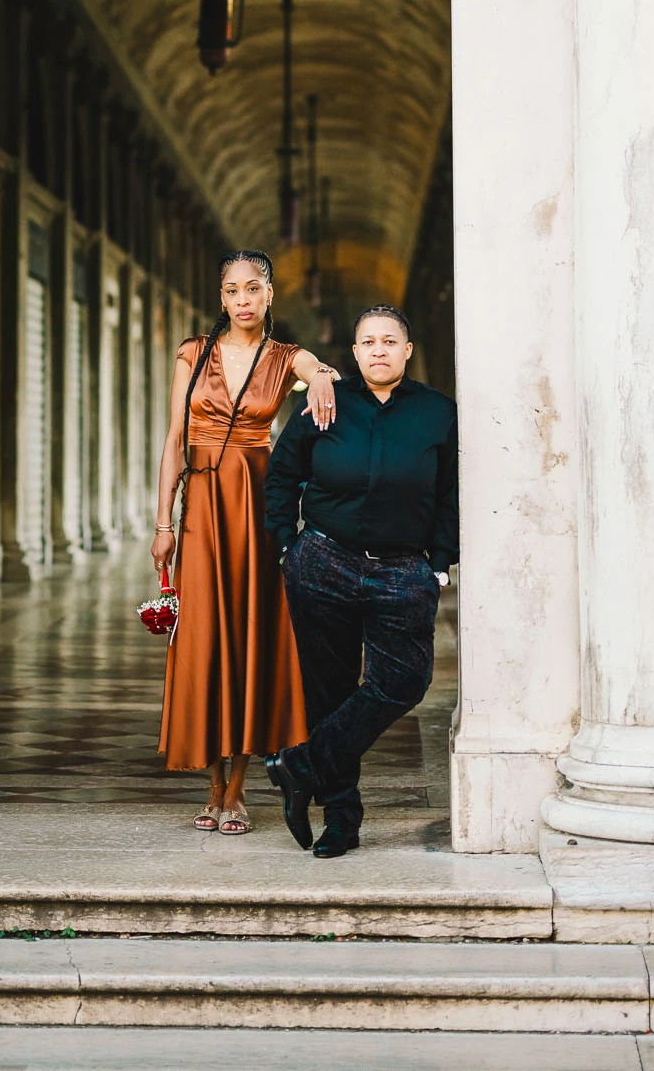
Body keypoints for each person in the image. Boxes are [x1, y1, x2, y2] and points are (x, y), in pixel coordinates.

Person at [153, 250, 338, 836]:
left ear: (269, 295)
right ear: (222, 296)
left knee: (250, 635)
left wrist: (325, 382)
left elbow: (324, 372)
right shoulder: (193, 354)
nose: (242, 299)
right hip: (202, 508)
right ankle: (210, 782)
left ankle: (237, 789)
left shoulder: (285, 358)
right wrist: (162, 524)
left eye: (253, 288)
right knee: (205, 637)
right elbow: (175, 439)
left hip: (257, 507)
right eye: (232, 289)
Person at [264, 304, 458, 858]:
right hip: (323, 560)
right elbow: (282, 475)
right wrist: (286, 543)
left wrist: (440, 561)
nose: (378, 350)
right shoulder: (324, 402)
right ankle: (341, 822)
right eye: (368, 342)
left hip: (402, 568)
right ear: (353, 354)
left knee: (404, 682)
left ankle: (300, 765)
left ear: (407, 350)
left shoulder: (438, 413)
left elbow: (449, 494)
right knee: (329, 690)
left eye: (389, 341)